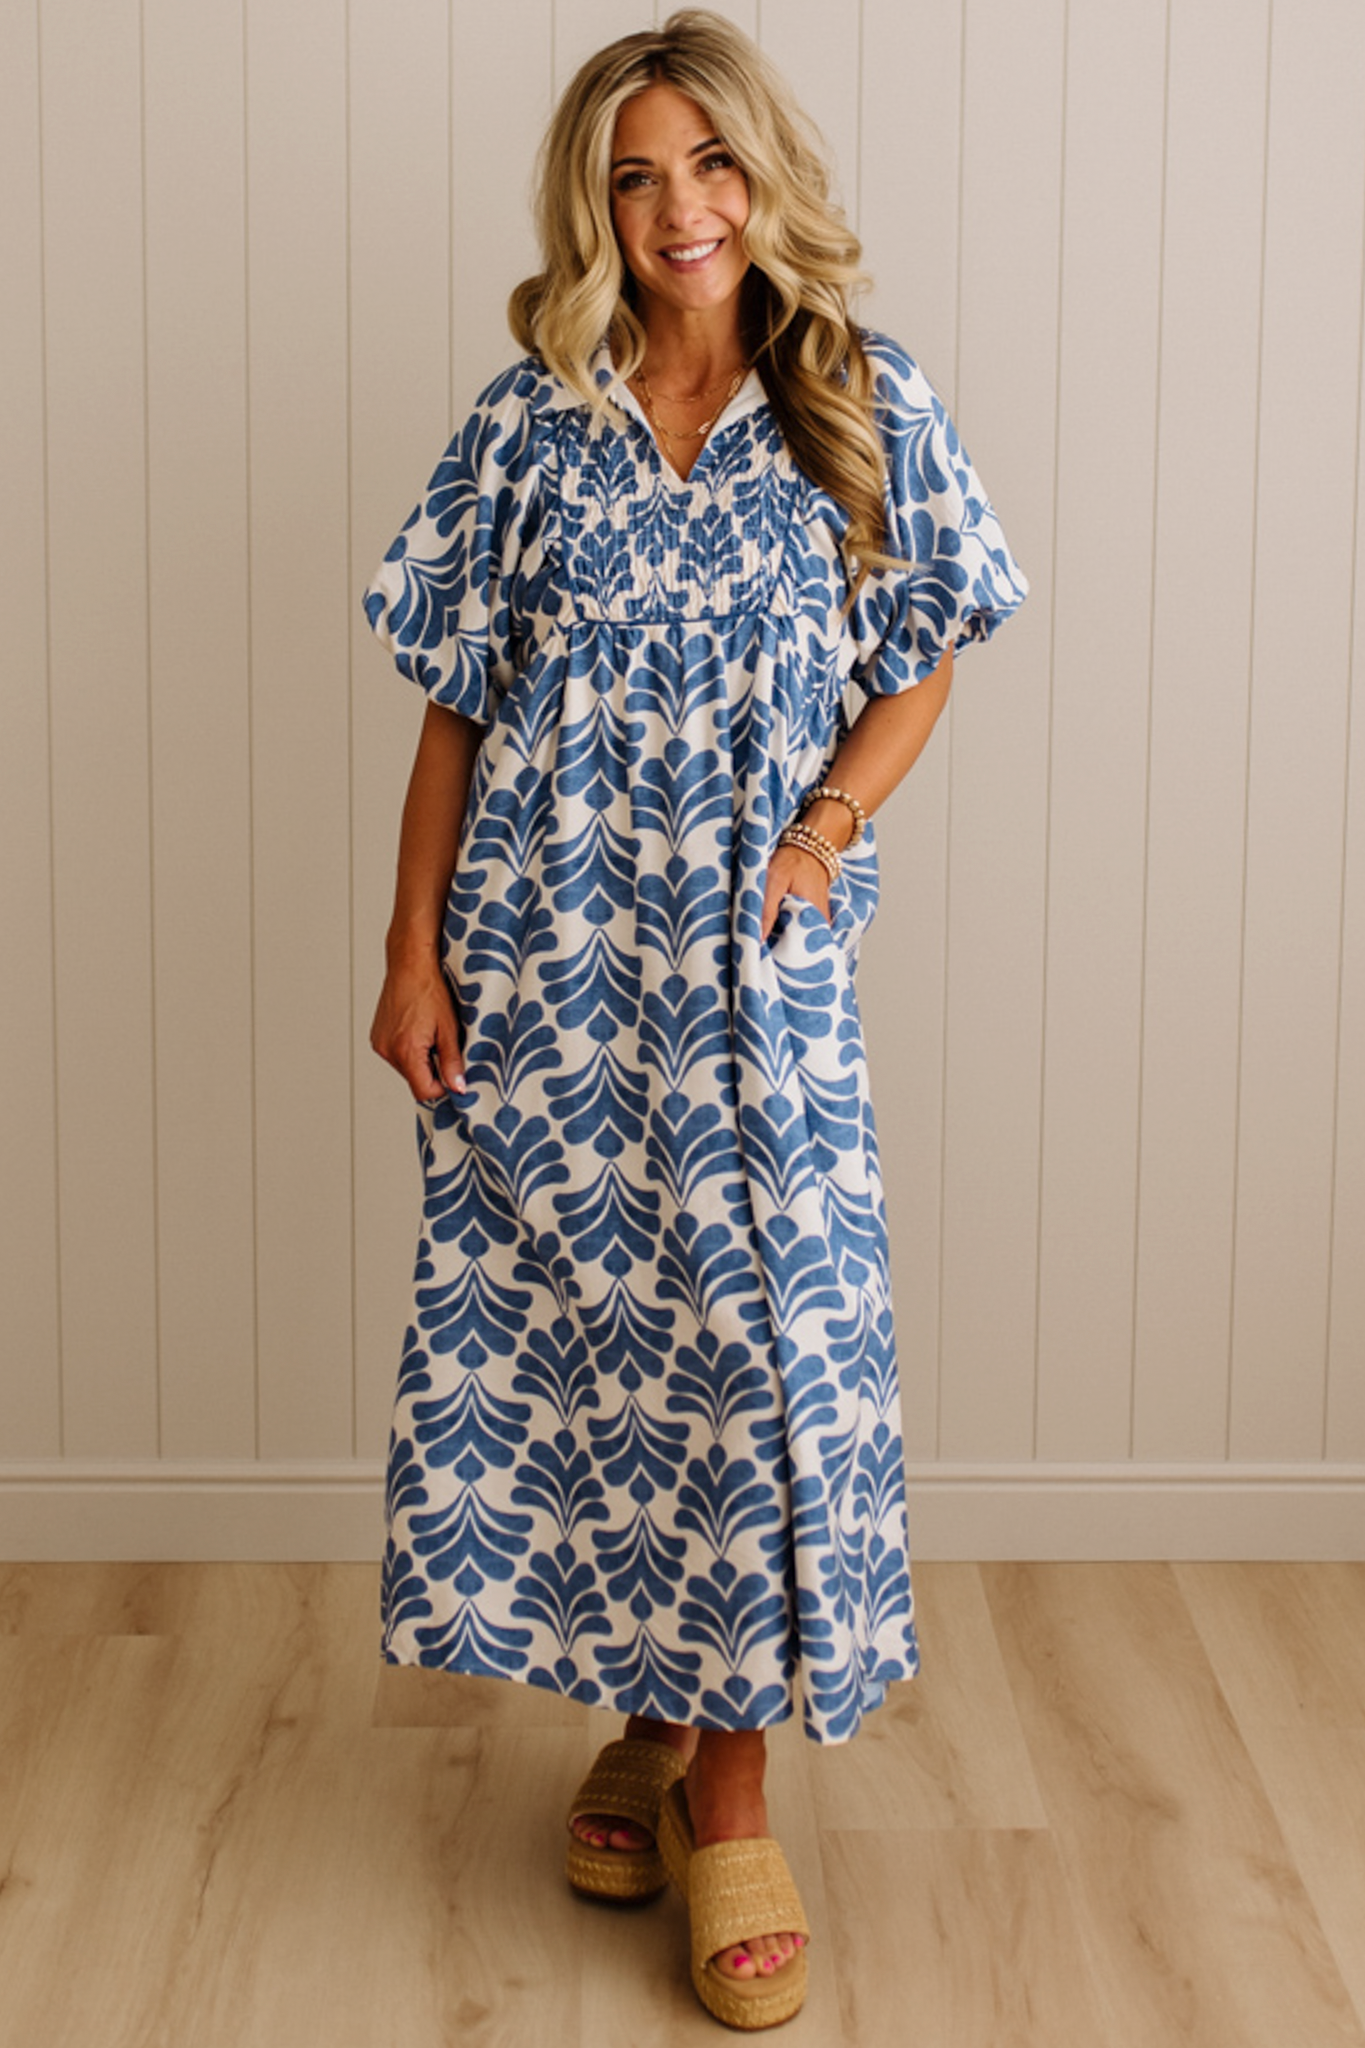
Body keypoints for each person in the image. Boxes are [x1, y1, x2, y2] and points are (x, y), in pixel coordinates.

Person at [365, 9, 1026, 2029]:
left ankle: (732, 1792)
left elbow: (924, 654)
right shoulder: (526, 419)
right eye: (638, 174)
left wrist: (825, 825)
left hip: (752, 971)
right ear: (597, 201)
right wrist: (409, 952)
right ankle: (643, 1731)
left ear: (764, 176)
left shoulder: (857, 399)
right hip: (546, 959)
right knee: (602, 1336)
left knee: (756, 1345)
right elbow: (457, 704)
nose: (680, 207)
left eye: (711, 164)